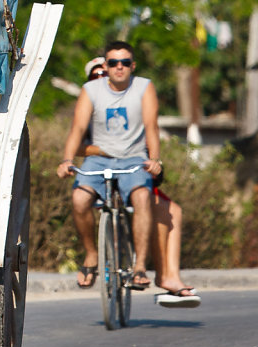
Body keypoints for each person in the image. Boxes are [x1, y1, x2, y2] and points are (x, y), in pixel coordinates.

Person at [79, 57, 200, 306]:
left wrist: (153, 163)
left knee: (169, 209)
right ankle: (164, 277)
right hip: (105, 177)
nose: (103, 77)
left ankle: (168, 275)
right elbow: (77, 145)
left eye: (108, 72)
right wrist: (104, 151)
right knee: (155, 207)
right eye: (97, 75)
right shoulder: (89, 107)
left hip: (133, 171)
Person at [57, 41, 161, 290]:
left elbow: (152, 128)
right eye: (113, 63)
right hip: (98, 160)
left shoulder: (144, 87)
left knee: (142, 197)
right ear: (106, 65)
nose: (119, 67)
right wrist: (67, 160)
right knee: (80, 200)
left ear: (132, 65)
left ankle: (139, 268)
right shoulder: (91, 90)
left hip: (133, 157)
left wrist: (155, 159)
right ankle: (91, 253)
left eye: (125, 62)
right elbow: (78, 128)